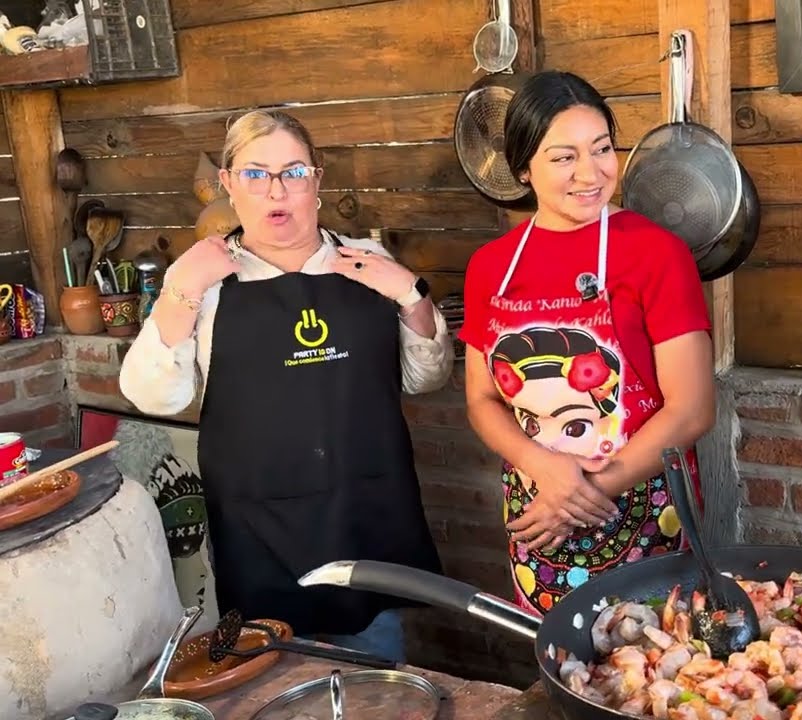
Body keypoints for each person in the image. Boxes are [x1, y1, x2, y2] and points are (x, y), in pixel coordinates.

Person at [119, 109, 451, 662]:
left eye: (293, 172)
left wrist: (411, 294)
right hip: (259, 525)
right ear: (228, 184)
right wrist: (182, 286)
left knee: (377, 668)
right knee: (275, 675)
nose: (277, 190)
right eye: (255, 173)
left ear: (317, 179)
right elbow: (156, 395)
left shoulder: (368, 264)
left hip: (362, 509)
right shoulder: (208, 279)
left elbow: (424, 376)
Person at [458, 70, 715, 614]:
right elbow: (481, 400)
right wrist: (546, 470)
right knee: (557, 668)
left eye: (601, 149)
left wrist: (582, 494)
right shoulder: (491, 267)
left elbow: (692, 410)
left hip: (642, 510)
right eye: (562, 157)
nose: (590, 173)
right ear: (523, 168)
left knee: (652, 672)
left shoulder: (656, 253)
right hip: (538, 515)